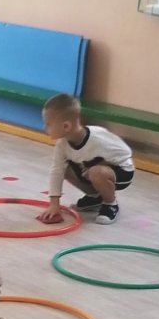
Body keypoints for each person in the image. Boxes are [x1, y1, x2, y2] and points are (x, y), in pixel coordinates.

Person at [38, 94, 134, 226]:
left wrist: (102, 164)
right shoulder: (62, 144)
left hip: (122, 172)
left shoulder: (98, 139)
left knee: (96, 172)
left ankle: (110, 204)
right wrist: (54, 204)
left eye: (48, 124)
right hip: (95, 172)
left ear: (66, 126)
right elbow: (56, 171)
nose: (44, 128)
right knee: (64, 169)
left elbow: (126, 152)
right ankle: (96, 198)